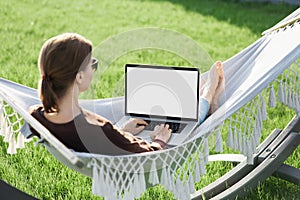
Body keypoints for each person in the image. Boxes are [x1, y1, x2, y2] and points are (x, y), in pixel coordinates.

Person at [29, 33, 224, 155]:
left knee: (182, 110)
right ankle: (207, 95)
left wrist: (123, 130)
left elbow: (103, 139)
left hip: (115, 135)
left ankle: (202, 98)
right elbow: (148, 156)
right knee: (188, 119)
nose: (93, 69)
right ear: (79, 77)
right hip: (143, 147)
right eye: (92, 64)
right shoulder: (102, 131)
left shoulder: (36, 115)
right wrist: (159, 140)